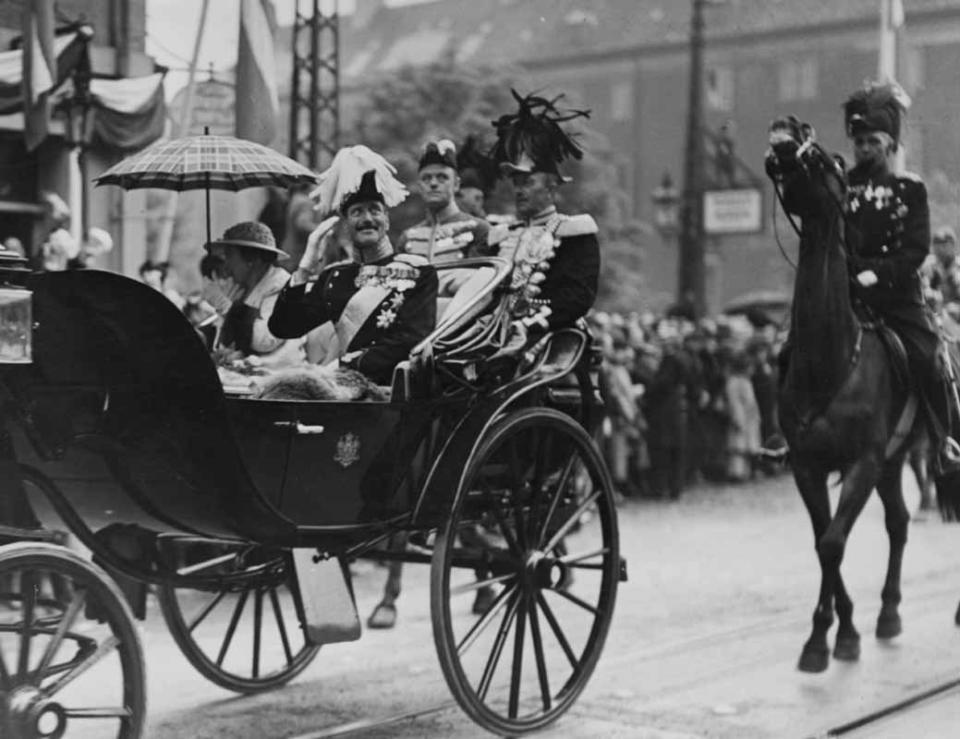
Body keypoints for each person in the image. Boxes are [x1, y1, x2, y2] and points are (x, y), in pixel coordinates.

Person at [773, 81, 959, 469]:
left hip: (896, 297)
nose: (864, 149)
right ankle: (790, 431)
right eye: (859, 141)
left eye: (873, 141)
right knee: (791, 350)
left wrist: (876, 275)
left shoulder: (909, 188)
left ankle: (945, 440)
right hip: (843, 296)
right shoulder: (841, 182)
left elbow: (915, 249)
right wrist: (788, 168)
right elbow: (804, 203)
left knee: (930, 356)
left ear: (891, 144)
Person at [268, 145, 438, 386]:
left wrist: (341, 368)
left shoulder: (419, 272)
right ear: (346, 223)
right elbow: (284, 328)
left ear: (387, 220)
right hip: (346, 393)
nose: (367, 219)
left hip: (393, 392)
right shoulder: (335, 276)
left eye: (375, 210)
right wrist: (304, 269)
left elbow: (409, 340)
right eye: (357, 212)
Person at [483, 91, 600, 365]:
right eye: (517, 182)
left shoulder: (573, 232)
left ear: (551, 185)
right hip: (492, 332)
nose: (520, 189)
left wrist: (530, 325)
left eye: (528, 182)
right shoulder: (501, 233)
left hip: (548, 336)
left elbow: (576, 297)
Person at [202, 221, 303, 365]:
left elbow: (266, 340)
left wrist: (227, 308)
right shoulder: (244, 288)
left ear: (251, 259)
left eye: (230, 256)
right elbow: (224, 344)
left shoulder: (280, 286)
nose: (227, 265)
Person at [397, 138, 490, 296]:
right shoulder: (407, 237)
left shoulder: (479, 229)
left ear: (456, 184)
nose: (433, 183)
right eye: (426, 178)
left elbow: (481, 291)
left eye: (442, 177)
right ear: (419, 186)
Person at [922, 226, 960, 313]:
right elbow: (925, 288)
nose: (940, 250)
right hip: (936, 312)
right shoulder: (930, 266)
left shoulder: (957, 267)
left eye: (944, 245)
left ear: (952, 245)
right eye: (937, 245)